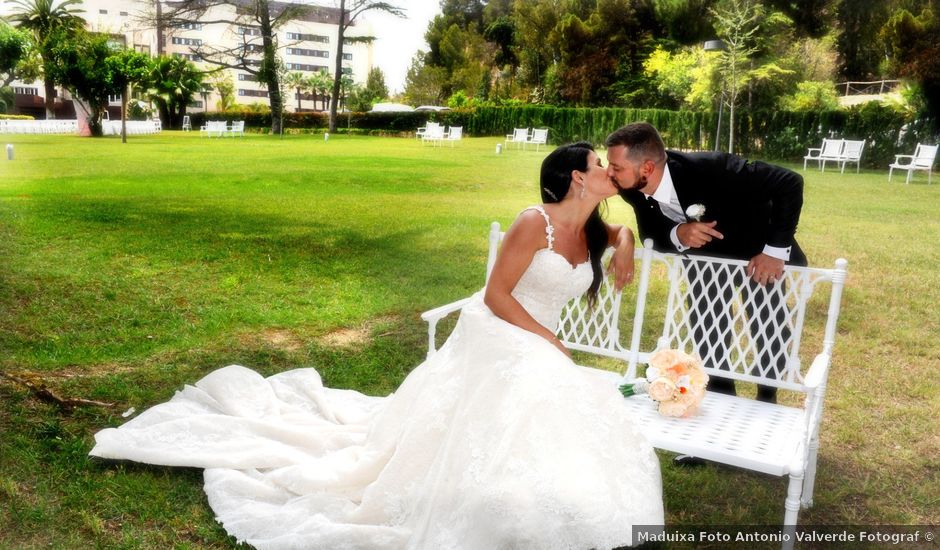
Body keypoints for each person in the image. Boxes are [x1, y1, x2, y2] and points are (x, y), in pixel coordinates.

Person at [90, 142, 664, 549]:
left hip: (537, 339)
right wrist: (548, 340)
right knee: (544, 383)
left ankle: (554, 490)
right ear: (574, 178)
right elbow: (494, 296)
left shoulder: (594, 228)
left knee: (567, 397)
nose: (608, 170)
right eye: (598, 164)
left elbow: (616, 230)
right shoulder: (531, 222)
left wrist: (626, 239)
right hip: (503, 329)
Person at [604, 122, 806, 406]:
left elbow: (789, 182)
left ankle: (766, 397)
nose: (609, 172)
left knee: (768, 327)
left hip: (757, 252)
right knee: (709, 330)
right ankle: (721, 400)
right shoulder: (631, 188)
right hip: (704, 265)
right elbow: (652, 234)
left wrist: (773, 251)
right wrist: (679, 233)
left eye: (616, 166)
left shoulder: (712, 167)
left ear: (647, 168)